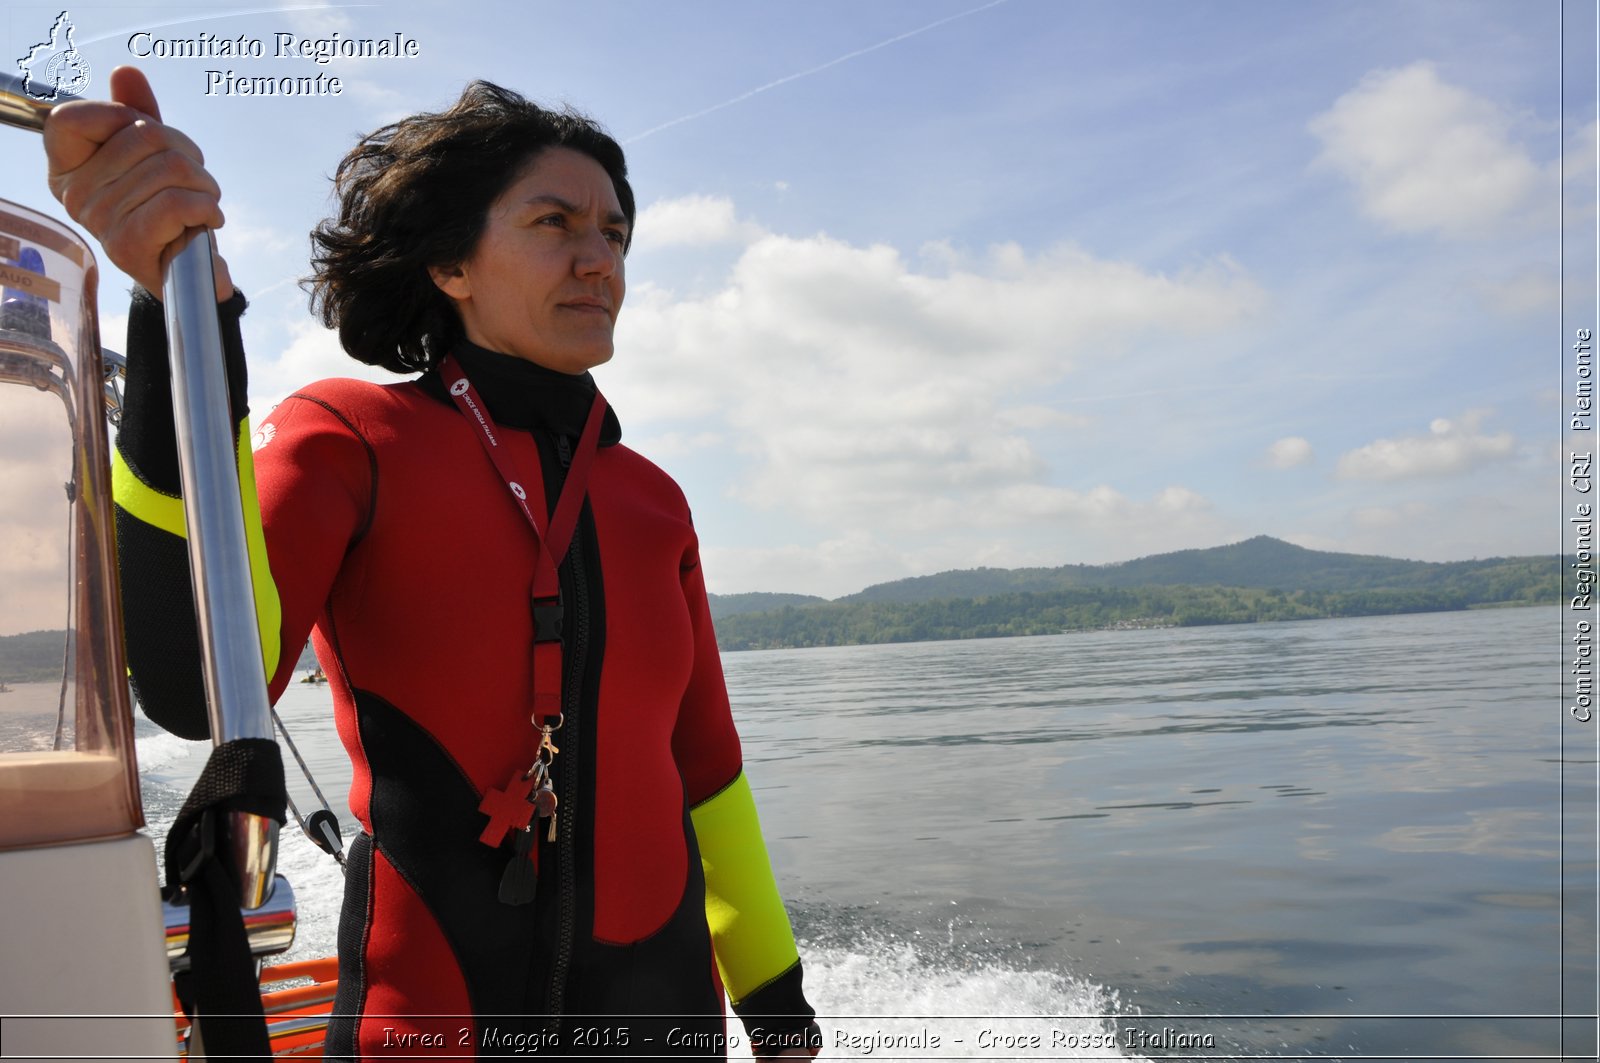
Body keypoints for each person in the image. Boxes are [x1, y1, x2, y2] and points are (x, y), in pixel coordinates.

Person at [45, 66, 821, 1060]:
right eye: (555, 223)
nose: (600, 261)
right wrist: (177, 310)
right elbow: (196, 684)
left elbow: (707, 773)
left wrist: (779, 1012)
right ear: (451, 265)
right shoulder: (351, 437)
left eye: (615, 232)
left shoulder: (653, 501)